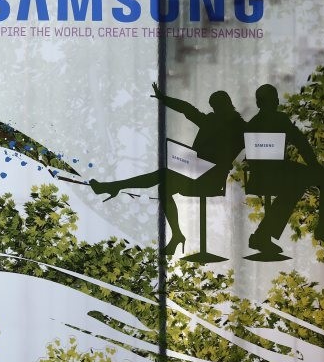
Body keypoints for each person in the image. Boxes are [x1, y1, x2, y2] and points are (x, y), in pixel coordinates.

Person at [89, 84, 245, 256]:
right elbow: (187, 109)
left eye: (216, 107)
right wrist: (163, 99)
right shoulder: (211, 120)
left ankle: (114, 187)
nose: (214, 111)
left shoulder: (239, 127)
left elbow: (249, 147)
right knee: (164, 187)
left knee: (164, 175)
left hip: (211, 180)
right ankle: (177, 235)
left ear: (226, 105)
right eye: (213, 108)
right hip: (196, 172)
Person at [245, 83, 324, 254]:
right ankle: (263, 236)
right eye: (274, 100)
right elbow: (301, 143)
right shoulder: (278, 119)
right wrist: (315, 167)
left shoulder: (252, 124)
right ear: (275, 102)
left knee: (300, 183)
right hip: (276, 174)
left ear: (258, 103)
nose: (276, 102)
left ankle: (261, 236)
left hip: (267, 175)